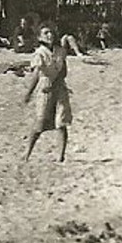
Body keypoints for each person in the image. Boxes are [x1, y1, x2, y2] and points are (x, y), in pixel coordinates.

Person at [23, 26, 74, 162]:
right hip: (45, 87)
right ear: (40, 37)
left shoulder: (60, 51)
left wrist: (59, 81)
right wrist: (29, 92)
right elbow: (36, 75)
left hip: (60, 87)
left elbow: (64, 71)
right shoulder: (39, 53)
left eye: (51, 32)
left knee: (61, 122)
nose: (50, 35)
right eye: (46, 33)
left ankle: (60, 156)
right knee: (40, 123)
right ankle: (27, 154)